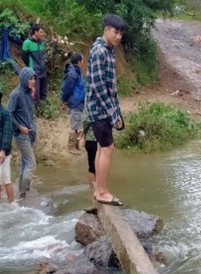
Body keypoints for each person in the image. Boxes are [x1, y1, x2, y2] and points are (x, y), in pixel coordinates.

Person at [85, 14, 126, 206]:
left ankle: (98, 189)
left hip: (103, 109)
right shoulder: (100, 51)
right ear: (106, 30)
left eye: (121, 33)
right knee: (108, 148)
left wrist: (117, 113)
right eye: (116, 32)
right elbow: (99, 87)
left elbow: (111, 88)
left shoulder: (108, 51)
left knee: (103, 147)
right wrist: (112, 113)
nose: (118, 36)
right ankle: (101, 191)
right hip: (99, 110)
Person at [7, 67, 38, 199]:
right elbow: (8, 113)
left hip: (30, 132)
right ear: (24, 79)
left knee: (25, 162)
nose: (33, 82)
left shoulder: (28, 93)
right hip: (21, 133)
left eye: (34, 79)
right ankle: (24, 191)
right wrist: (19, 127)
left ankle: (22, 190)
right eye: (30, 79)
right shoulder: (16, 94)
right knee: (31, 163)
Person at [60, 52, 85, 153]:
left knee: (78, 124)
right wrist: (64, 100)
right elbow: (66, 88)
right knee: (74, 125)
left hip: (79, 101)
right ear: (78, 62)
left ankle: (76, 146)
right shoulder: (72, 74)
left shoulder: (77, 71)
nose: (83, 62)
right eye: (82, 60)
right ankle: (71, 147)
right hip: (75, 102)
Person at [22, 24, 48, 103]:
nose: (42, 34)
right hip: (34, 72)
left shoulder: (41, 43)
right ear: (35, 32)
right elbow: (24, 57)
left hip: (43, 71)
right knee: (35, 94)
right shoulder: (27, 43)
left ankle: (42, 110)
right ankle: (35, 111)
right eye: (41, 32)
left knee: (43, 92)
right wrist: (30, 67)